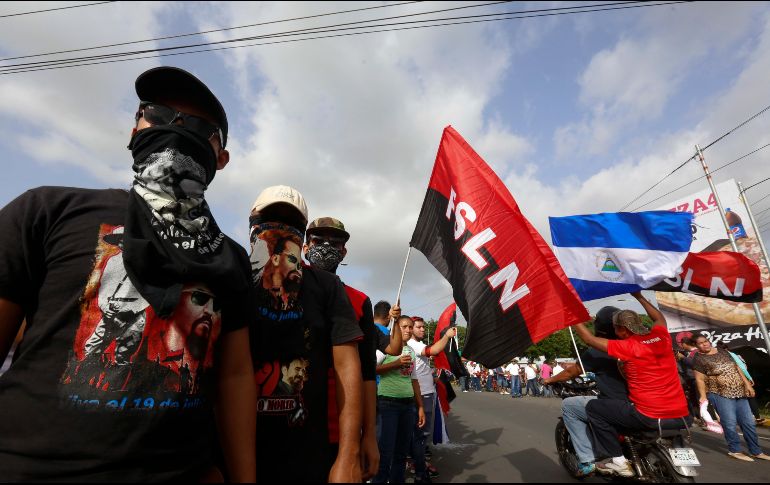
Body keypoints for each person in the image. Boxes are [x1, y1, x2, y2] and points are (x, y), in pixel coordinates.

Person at [0, 66, 256, 481]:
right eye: (155, 114)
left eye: (196, 125)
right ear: (136, 130)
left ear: (220, 159)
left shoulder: (230, 257)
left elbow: (235, 374)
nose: (174, 129)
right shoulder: (46, 211)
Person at [247, 186, 364, 483]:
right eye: (270, 219)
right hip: (241, 450)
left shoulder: (327, 287)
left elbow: (349, 367)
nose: (280, 231)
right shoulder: (232, 274)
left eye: (292, 225)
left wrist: (348, 455)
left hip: (307, 452)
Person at [575, 292, 689, 477]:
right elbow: (658, 317)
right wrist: (639, 296)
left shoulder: (627, 347)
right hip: (682, 414)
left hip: (648, 415)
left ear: (620, 331)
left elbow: (589, 339)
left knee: (594, 408)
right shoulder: (662, 337)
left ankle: (619, 461)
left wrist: (571, 317)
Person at [304, 216, 382, 480]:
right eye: (317, 240)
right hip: (292, 429)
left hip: (342, 433)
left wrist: (368, 435)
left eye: (335, 242)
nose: (326, 246)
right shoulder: (284, 291)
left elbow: (368, 374)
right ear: (305, 247)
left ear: (344, 252)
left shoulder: (360, 301)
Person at [542, 306, 628, 477]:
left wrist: (550, 379)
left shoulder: (600, 350)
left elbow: (571, 372)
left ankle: (587, 460)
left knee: (569, 405)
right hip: (647, 403)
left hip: (616, 405)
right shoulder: (639, 344)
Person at [692, 335, 770, 462]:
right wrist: (703, 396)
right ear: (696, 346)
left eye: (705, 341)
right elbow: (699, 379)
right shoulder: (699, 359)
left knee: (748, 423)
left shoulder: (723, 351)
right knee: (730, 423)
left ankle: (756, 451)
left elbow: (737, 368)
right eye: (700, 343)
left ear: (709, 341)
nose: (704, 344)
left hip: (739, 392)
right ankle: (735, 450)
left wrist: (747, 385)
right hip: (719, 394)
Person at [374, 316, 426, 483]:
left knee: (401, 454)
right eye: (404, 326)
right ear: (396, 328)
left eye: (410, 327)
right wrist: (395, 364)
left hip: (407, 406)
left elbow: (414, 380)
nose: (408, 330)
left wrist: (420, 407)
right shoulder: (385, 347)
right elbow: (371, 369)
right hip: (388, 404)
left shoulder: (410, 351)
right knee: (385, 452)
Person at [408, 316, 458, 481]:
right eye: (419, 327)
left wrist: (431, 375)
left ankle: (417, 463)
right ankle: (420, 470)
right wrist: (446, 336)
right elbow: (434, 351)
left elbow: (420, 368)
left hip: (426, 393)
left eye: (423, 327)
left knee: (420, 434)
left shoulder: (415, 345)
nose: (422, 329)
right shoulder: (414, 344)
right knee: (421, 435)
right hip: (422, 395)